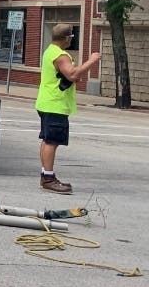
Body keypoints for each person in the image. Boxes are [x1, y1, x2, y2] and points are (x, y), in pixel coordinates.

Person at [35, 23, 100, 194]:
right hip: (55, 104)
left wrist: (70, 77)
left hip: (46, 102)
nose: (72, 38)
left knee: (47, 139)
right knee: (52, 141)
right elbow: (72, 74)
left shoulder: (50, 50)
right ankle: (48, 179)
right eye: (71, 36)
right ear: (66, 38)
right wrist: (92, 60)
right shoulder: (60, 55)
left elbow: (64, 76)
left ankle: (45, 174)